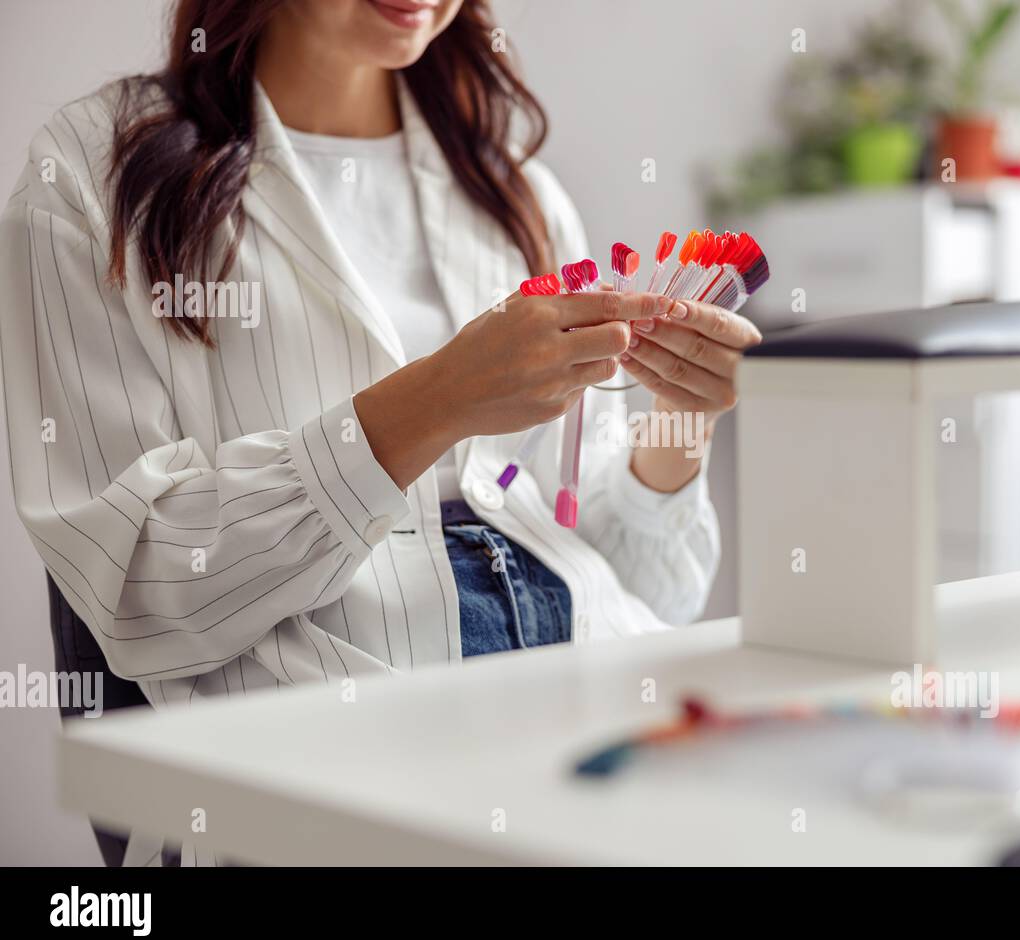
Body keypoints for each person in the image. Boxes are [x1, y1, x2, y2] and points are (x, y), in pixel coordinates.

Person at [0, 0, 760, 705]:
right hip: (338, 734)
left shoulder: (513, 191)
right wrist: (434, 403)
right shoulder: (90, 178)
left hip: (601, 690)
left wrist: (680, 414)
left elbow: (648, 589)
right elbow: (137, 591)